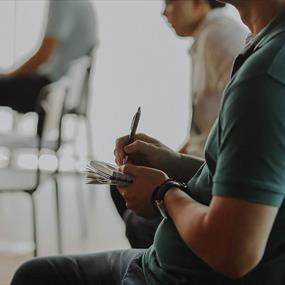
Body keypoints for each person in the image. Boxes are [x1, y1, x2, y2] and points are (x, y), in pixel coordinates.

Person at [10, 0, 285, 284]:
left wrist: (162, 193)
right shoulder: (264, 46)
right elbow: (251, 173)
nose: (165, 11)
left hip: (177, 275)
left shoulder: (263, 75)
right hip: (168, 261)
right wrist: (173, 162)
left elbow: (232, 251)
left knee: (35, 277)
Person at [110, 0, 247, 249]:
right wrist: (170, 156)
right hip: (205, 166)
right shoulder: (208, 36)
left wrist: (169, 183)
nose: (164, 12)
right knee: (121, 181)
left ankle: (160, 263)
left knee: (136, 216)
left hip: (213, 175)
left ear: (198, 3)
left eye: (171, 2)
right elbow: (205, 128)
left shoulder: (218, 37)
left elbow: (232, 134)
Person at [0, 0, 97, 135]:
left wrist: (10, 76)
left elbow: (43, 55)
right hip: (58, 90)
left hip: (48, 91)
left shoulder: (63, 2)